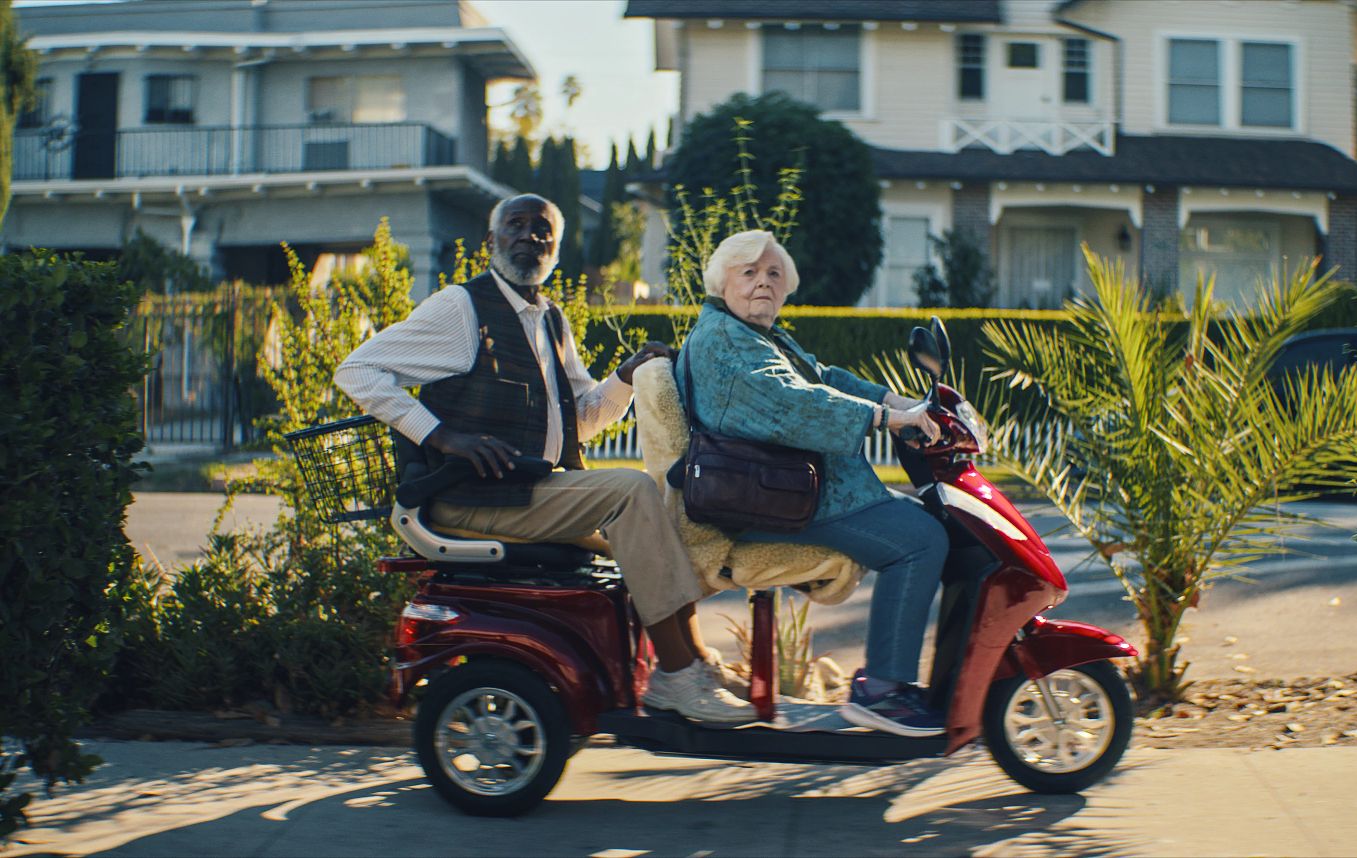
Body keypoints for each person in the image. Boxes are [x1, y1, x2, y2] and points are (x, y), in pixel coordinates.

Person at [335, 194, 753, 724]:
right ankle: (676, 677)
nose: (531, 237)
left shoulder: (550, 319)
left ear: (555, 249)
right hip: (473, 497)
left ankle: (693, 663)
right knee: (631, 492)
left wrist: (625, 376)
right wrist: (441, 436)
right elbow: (357, 371)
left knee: (663, 519)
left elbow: (578, 418)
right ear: (491, 242)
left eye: (543, 230)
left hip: (525, 491)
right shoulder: (460, 309)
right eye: (517, 226)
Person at [677, 229, 951, 737]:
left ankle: (900, 680)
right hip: (768, 501)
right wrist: (884, 419)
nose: (763, 283)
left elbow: (821, 377)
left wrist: (898, 403)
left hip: (792, 490)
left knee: (933, 518)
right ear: (723, 283)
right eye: (749, 272)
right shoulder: (723, 342)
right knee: (922, 540)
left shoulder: (757, 335)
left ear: (785, 290)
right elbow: (790, 403)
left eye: (773, 274)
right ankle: (884, 691)